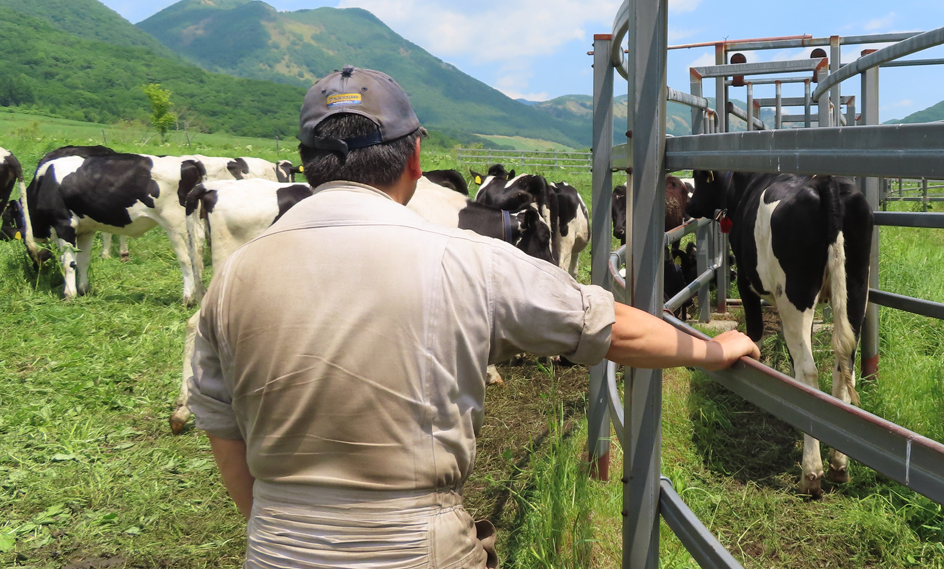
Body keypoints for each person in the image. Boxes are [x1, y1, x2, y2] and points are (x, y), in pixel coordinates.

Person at [187, 66, 760, 568]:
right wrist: (713, 350)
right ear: (415, 159)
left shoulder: (232, 279)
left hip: (275, 546)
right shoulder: (466, 259)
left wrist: (284, 530)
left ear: (308, 162)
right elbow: (609, 325)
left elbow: (221, 429)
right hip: (415, 547)